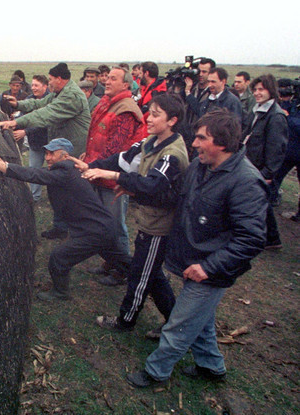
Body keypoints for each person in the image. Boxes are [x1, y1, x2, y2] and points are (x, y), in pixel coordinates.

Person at [125, 109, 268, 388]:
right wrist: (132, 188)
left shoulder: (246, 182)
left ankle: (156, 373)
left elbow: (251, 239)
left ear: (222, 143)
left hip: (212, 269)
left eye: (202, 138)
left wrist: (209, 267)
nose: (194, 143)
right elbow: (173, 197)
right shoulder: (199, 168)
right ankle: (211, 367)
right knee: (200, 320)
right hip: (195, 262)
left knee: (179, 324)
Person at [74, 94, 189, 337]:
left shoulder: (172, 154)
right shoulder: (150, 142)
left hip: (160, 228)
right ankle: (175, 320)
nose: (149, 118)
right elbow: (123, 159)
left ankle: (125, 320)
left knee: (140, 275)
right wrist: (94, 166)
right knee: (152, 273)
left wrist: (115, 177)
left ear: (172, 121)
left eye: (156, 114)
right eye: (150, 111)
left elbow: (152, 185)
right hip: (149, 222)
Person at [0, 139, 122, 301]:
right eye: (46, 153)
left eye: (52, 154)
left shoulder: (65, 172)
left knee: (59, 258)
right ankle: (137, 276)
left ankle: (60, 292)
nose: (47, 158)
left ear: (65, 156)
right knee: (122, 260)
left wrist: (4, 166)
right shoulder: (67, 170)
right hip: (103, 226)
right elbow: (37, 172)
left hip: (94, 231)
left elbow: (36, 175)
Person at [0, 63, 91, 240]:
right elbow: (40, 103)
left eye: (52, 79)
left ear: (60, 79)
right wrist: (19, 104)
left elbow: (46, 113)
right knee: (57, 190)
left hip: (72, 152)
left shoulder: (72, 96)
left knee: (72, 192)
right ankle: (61, 227)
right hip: (61, 151)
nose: (50, 83)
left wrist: (16, 123)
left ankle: (80, 231)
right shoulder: (60, 93)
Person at [81, 66, 146, 285]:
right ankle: (110, 261)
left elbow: (117, 149)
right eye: (107, 77)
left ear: (126, 85)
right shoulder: (107, 102)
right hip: (98, 171)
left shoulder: (126, 110)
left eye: (113, 79)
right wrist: (88, 155)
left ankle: (123, 270)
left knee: (116, 225)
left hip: (112, 178)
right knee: (104, 222)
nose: (107, 81)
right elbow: (98, 136)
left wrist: (89, 164)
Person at [242, 74, 288, 249]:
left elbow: (277, 148)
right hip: (252, 164)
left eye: (261, 89)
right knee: (258, 202)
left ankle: (271, 238)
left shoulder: (275, 116)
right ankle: (269, 238)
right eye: (255, 89)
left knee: (261, 204)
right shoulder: (259, 110)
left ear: (271, 90)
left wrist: (268, 173)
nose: (257, 93)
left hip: (261, 169)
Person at [11, 75, 50, 202]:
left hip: (51, 141)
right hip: (35, 142)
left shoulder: (51, 100)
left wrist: (26, 131)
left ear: (45, 86)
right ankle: (35, 197)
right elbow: (24, 118)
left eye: (36, 85)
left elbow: (45, 122)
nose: (33, 88)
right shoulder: (29, 99)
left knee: (54, 170)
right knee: (34, 170)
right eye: (32, 85)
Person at [272, 79, 300, 221]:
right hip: (288, 150)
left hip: (295, 149)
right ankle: (270, 202)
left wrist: (288, 117)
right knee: (275, 179)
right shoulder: (290, 104)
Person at [182, 58, 215, 155]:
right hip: (187, 134)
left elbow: (201, 111)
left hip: (201, 137)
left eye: (204, 72)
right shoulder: (193, 87)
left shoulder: (212, 93)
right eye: (199, 71)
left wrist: (188, 93)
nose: (200, 74)